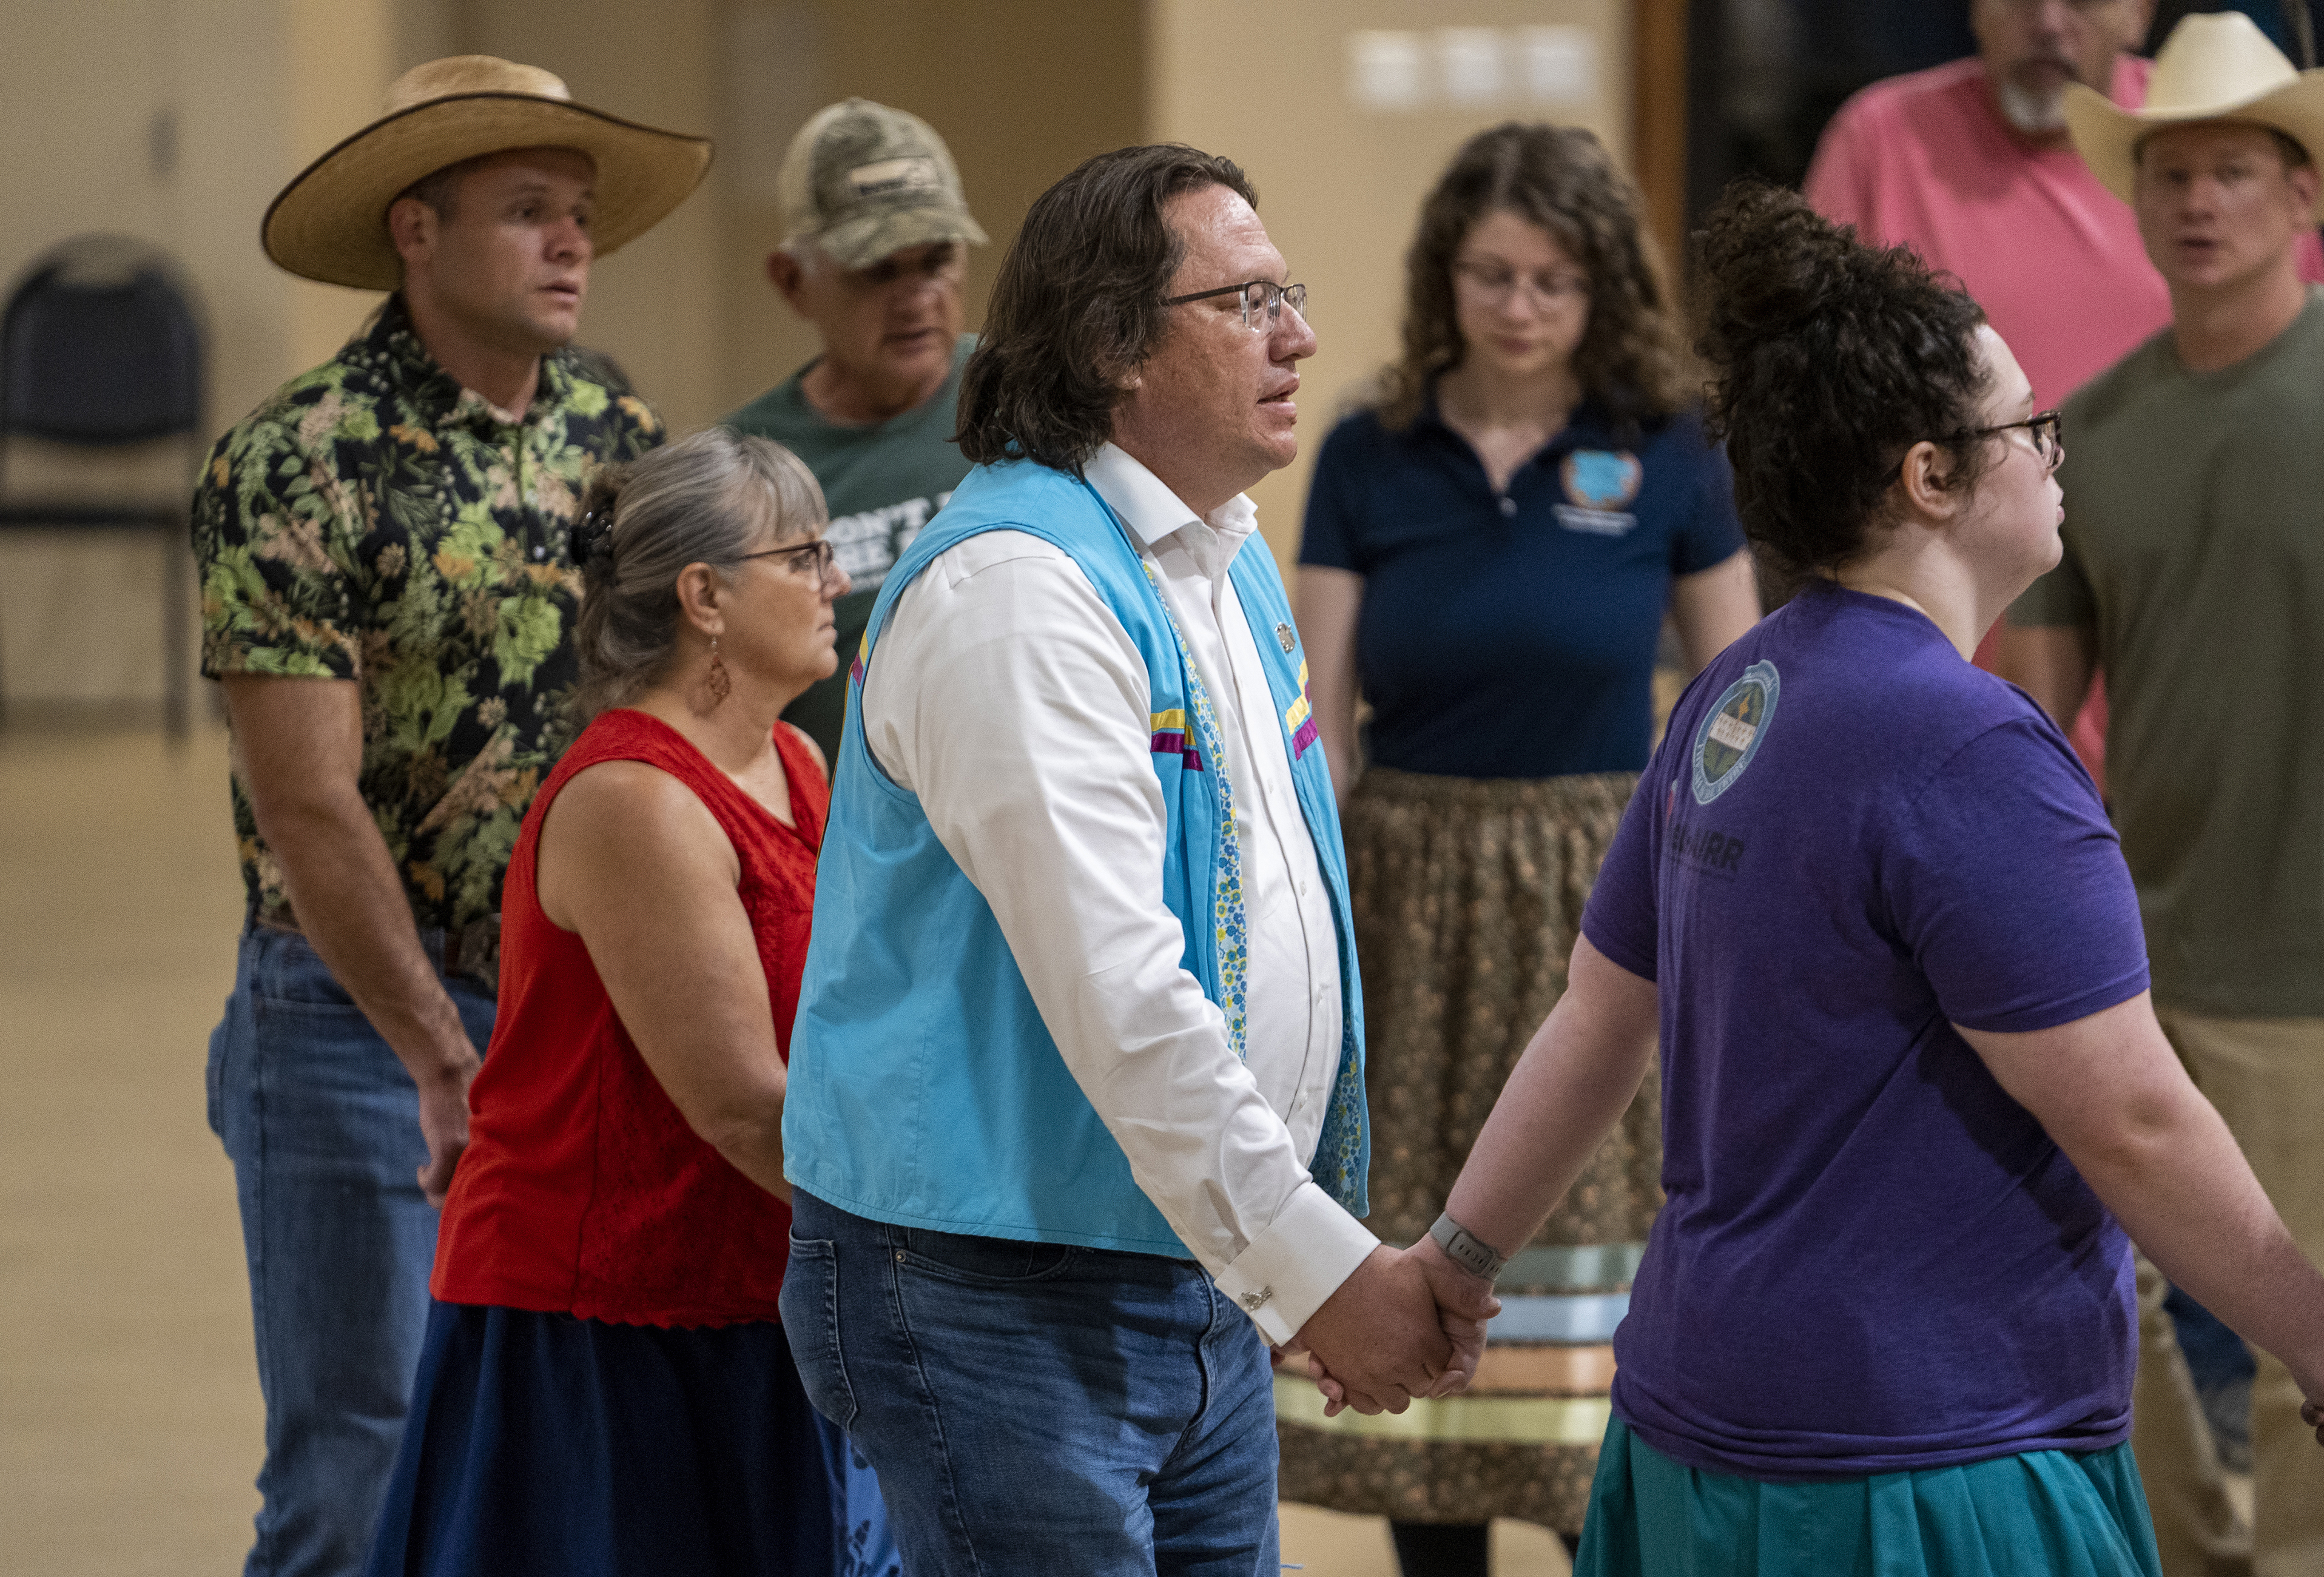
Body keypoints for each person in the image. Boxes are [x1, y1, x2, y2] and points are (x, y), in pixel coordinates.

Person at [1307, 180, 2324, 1574]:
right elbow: (2137, 1119)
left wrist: (1457, 1258)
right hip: (1919, 1463)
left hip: (1689, 1427)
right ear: (1930, 475)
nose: (2052, 449)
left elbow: (1596, 1022)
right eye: (2027, 423)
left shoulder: (1739, 690)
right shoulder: (1971, 750)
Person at [776, 143, 1497, 1576]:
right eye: (1245, 303)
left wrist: (1292, 1261)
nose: (1297, 334)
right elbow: (1125, 996)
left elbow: (1278, 906)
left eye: (1286, 294)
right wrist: (1322, 1271)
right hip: (994, 1292)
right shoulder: (1018, 593)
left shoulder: (1217, 554)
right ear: (1111, 348)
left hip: (1185, 1261)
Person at [191, 55, 706, 1576]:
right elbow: (306, 796)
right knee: (361, 1466)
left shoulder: (615, 422)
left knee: (560, 1449)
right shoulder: (296, 460)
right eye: (528, 211)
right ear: (415, 232)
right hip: (359, 1025)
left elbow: (664, 712)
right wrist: (438, 1053)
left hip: (580, 1011)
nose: (571, 245)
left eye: (581, 215)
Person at [1281, 123, 1756, 1574]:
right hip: (1412, 883)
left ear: (1601, 287)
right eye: (1491, 274)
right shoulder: (1371, 449)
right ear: (1446, 280)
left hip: (1598, 885)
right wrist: (1318, 909)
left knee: (1599, 1243)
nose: (1521, 306)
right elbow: (1321, 713)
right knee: (1430, 1214)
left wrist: (1724, 899)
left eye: (1553, 279)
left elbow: (1741, 703)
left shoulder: (1666, 451)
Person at [363, 429, 894, 1576]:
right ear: (704, 595)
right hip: (604, 1326)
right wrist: (930, 1258)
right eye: (802, 557)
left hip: (749, 1289)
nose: (835, 582)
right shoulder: (635, 799)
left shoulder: (796, 763)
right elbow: (745, 1110)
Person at [2001, 13, 2324, 1572]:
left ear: (2302, 194)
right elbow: (2028, 722)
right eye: (2173, 171)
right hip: (2128, 949)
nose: (2199, 200)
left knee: (2306, 1335)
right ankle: (2187, 1552)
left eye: (2236, 172)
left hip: (2309, 967)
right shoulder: (2093, 434)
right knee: (2083, 1294)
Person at [1805, 0, 2324, 788]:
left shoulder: (2220, 133)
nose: (2049, 22)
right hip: (1932, 701)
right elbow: (1805, 427)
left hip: (2203, 711)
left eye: (2081, 1)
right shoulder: (1879, 139)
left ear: (2137, 13)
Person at [723, 98, 986, 762]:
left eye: (936, 260)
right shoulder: (743, 469)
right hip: (843, 848)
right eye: (878, 269)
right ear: (792, 281)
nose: (917, 296)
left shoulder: (1029, 395)